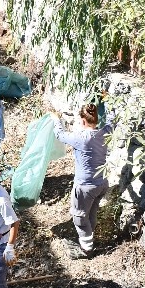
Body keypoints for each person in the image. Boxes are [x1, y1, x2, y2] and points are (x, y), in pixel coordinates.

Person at [49, 101, 115, 258]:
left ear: (83, 121)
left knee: (79, 217)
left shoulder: (80, 138)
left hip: (85, 186)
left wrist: (56, 119)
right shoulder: (105, 133)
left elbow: (59, 135)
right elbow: (112, 121)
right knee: (91, 212)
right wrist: (110, 105)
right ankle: (89, 241)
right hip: (101, 183)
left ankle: (86, 249)